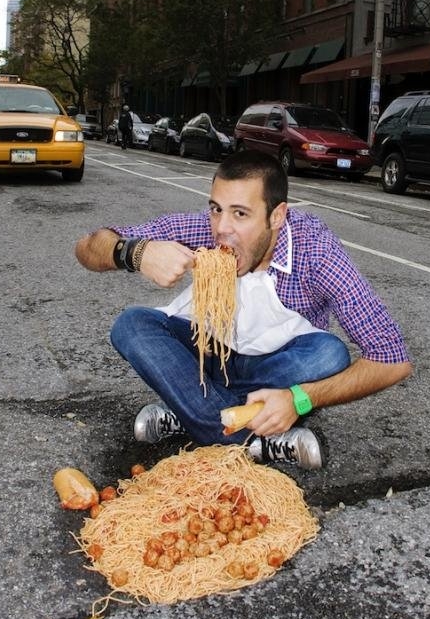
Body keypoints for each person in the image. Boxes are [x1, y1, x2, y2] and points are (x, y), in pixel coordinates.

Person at [75, 150, 412, 470]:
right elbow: (87, 247)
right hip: (207, 355)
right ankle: (254, 441)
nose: (222, 228)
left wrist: (300, 400)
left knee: (328, 354)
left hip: (272, 369)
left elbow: (392, 359)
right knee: (132, 324)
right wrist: (134, 252)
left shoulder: (316, 251)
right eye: (215, 208)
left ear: (277, 215)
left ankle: (189, 412)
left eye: (240, 214)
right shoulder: (203, 229)